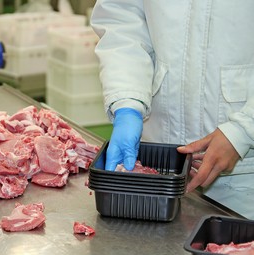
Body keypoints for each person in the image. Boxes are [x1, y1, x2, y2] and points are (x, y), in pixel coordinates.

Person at [90, 0, 254, 219]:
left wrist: (243, 130)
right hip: (159, 164)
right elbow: (122, 18)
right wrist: (127, 101)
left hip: (245, 177)